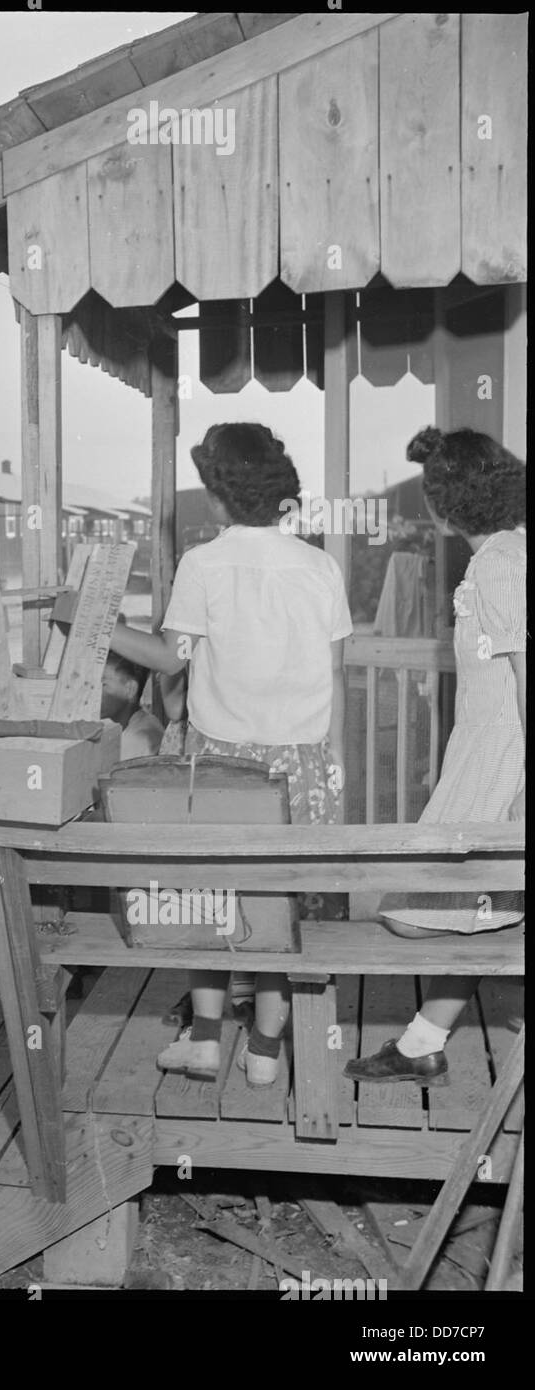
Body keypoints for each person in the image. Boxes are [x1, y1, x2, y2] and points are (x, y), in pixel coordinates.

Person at [108, 424, 351, 1088]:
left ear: (219, 496)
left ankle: (207, 1040)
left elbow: (169, 658)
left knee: (205, 896)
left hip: (222, 768)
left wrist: (99, 622)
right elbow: (333, 675)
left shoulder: (204, 563)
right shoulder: (319, 566)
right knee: (279, 908)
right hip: (303, 764)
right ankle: (266, 1052)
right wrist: (333, 762)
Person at [345, 427, 525, 1086]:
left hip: (507, 753)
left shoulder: (499, 563)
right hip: (490, 747)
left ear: (443, 509)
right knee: (482, 908)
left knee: (418, 915)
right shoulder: (511, 552)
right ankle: (423, 1042)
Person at [101, 617, 164, 759]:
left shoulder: (137, 740)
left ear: (130, 689)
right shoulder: (137, 723)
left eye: (103, 684)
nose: (93, 693)